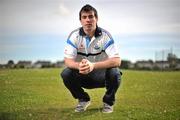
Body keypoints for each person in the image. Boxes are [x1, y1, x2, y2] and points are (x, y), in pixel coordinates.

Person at [61, 4, 122, 113]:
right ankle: (83, 99)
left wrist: (93, 65)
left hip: (101, 76)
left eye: (91, 16)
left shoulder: (105, 35)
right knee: (66, 73)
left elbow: (117, 60)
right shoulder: (74, 36)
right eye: (84, 17)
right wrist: (79, 66)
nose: (88, 20)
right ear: (80, 20)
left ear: (96, 18)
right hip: (83, 75)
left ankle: (108, 102)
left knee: (115, 72)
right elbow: (68, 61)